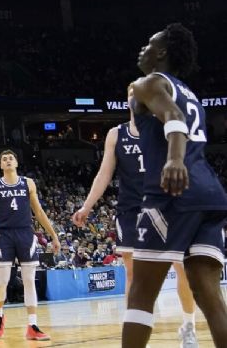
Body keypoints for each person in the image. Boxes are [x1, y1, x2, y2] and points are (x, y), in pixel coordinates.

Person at [122, 24, 227, 348]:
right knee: (208, 293)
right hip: (210, 195)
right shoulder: (191, 92)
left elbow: (173, 116)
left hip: (172, 192)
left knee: (141, 292)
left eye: (149, 43)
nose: (143, 50)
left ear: (163, 52)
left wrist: (174, 159)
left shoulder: (148, 83)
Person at [72, 85, 200, 346]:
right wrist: (87, 206)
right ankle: (136, 330)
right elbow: (104, 173)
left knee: (182, 268)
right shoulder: (115, 134)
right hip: (131, 210)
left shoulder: (164, 129)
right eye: (131, 95)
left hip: (165, 207)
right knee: (133, 274)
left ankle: (189, 325)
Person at [0, 150, 60, 341]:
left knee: (29, 280)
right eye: (4, 159)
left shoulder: (28, 183)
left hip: (25, 233)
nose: (7, 161)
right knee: (2, 280)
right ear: (0, 165)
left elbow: (38, 211)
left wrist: (53, 235)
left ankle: (32, 325)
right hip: (4, 235)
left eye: (11, 158)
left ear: (16, 163)